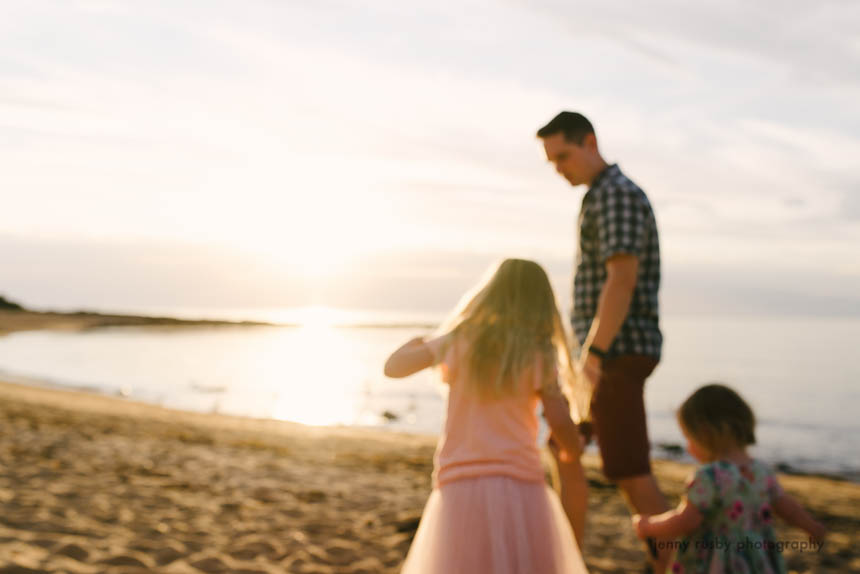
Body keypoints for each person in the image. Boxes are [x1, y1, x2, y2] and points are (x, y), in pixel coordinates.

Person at [384, 258, 590, 574]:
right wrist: (571, 446)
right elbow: (559, 420)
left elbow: (394, 368)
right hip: (522, 487)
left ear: (488, 295)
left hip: (460, 485)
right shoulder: (538, 352)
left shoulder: (458, 340)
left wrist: (420, 340)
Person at [537, 110, 670, 571]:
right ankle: (566, 557)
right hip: (599, 355)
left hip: (614, 354)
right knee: (563, 446)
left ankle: (674, 566)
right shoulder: (599, 196)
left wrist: (592, 355)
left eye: (563, 156)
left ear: (589, 141)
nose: (558, 168)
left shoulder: (614, 194)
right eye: (551, 161)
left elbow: (622, 280)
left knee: (630, 472)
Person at [632, 384, 827, 573]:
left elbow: (687, 520)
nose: (688, 447)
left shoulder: (709, 476)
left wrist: (649, 526)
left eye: (688, 438)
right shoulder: (761, 471)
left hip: (714, 563)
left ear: (705, 433)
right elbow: (788, 508)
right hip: (756, 561)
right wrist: (811, 526)